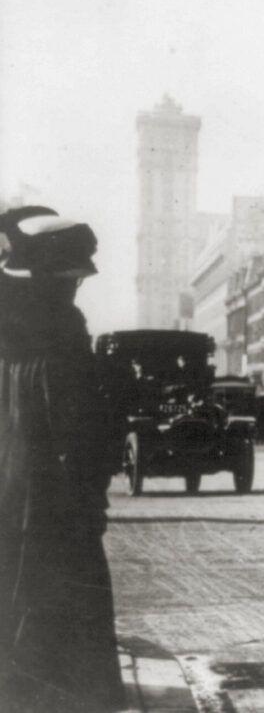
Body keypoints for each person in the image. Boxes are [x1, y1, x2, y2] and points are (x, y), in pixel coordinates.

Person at [0, 213, 126, 713]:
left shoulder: (13, 326)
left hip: (15, 487)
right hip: (57, 496)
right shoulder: (62, 333)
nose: (77, 285)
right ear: (56, 277)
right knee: (63, 595)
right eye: (74, 276)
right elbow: (78, 426)